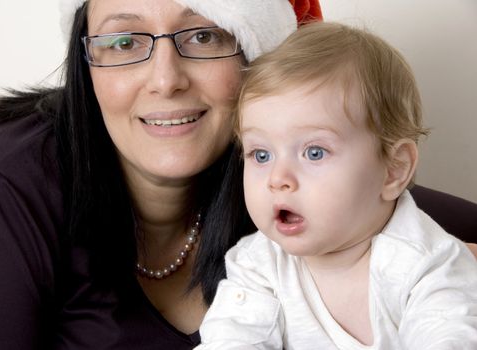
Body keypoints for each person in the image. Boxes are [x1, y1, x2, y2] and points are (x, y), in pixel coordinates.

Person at [0, 0, 474, 349]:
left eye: (202, 35)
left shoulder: (281, 184)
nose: (165, 80)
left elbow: (380, 193)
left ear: (259, 64)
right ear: (85, 63)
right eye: (125, 42)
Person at [196, 22, 477, 349]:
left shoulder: (430, 264)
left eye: (314, 152)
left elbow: (451, 338)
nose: (277, 179)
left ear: (393, 170)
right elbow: (230, 341)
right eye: (261, 154)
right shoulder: (258, 264)